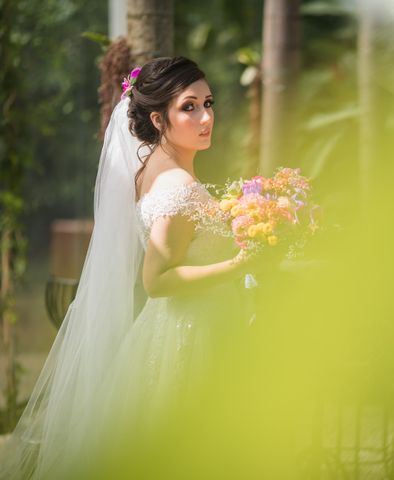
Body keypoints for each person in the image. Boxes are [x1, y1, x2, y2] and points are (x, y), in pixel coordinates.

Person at [0, 56, 280, 479]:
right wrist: (238, 263)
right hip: (192, 338)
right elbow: (156, 280)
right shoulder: (179, 189)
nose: (206, 117)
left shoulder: (152, 171)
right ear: (158, 117)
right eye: (189, 106)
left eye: (208, 102)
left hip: (179, 331)